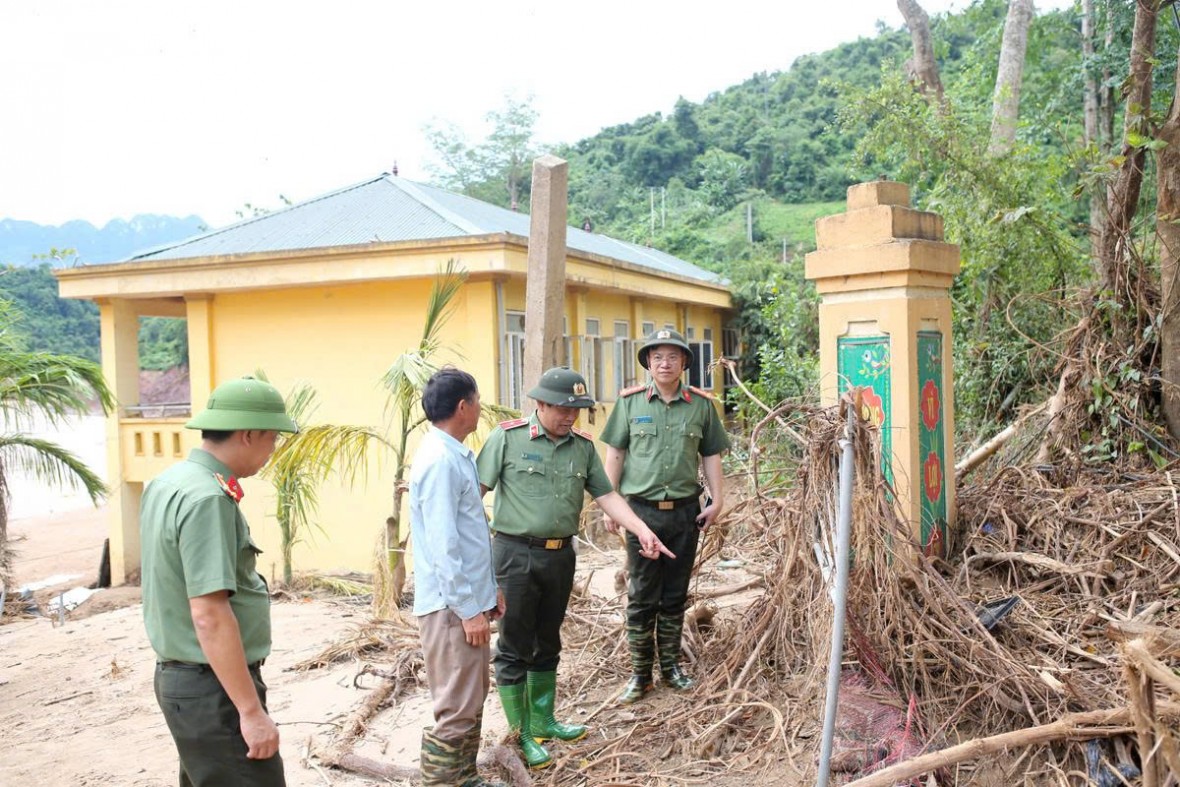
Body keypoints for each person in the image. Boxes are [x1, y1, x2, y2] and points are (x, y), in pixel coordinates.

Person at [476, 366, 675, 769]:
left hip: (560, 555)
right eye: (563, 408)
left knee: (548, 640)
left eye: (578, 410)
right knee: (514, 646)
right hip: (514, 554)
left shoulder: (582, 447)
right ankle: (520, 734)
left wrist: (641, 530)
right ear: (540, 404)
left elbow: (607, 495)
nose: (570, 416)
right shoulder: (507, 438)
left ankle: (545, 720)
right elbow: (473, 496)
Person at [140, 375, 299, 787]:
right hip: (213, 686)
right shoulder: (208, 498)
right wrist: (249, 711)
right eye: (272, 439)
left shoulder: (169, 482)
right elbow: (209, 612)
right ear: (249, 435)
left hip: (184, 680)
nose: (273, 451)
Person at [600, 329, 730, 705]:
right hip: (641, 512)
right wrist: (611, 505)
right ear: (648, 363)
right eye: (657, 357)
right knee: (641, 596)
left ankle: (671, 668)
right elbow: (616, 455)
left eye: (673, 357)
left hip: (685, 514)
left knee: (675, 595)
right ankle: (640, 676)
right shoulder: (630, 404)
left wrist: (718, 500)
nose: (665, 363)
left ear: (685, 363)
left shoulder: (701, 406)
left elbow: (711, 456)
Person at [409, 368, 505, 787]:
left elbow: (468, 537)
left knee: (471, 697)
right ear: (463, 407)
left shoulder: (453, 455)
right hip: (450, 609)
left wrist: (488, 593)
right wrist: (468, 611)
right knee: (456, 704)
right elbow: (444, 547)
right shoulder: (440, 461)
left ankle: (464, 779)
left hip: (464, 602)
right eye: (477, 401)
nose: (480, 409)